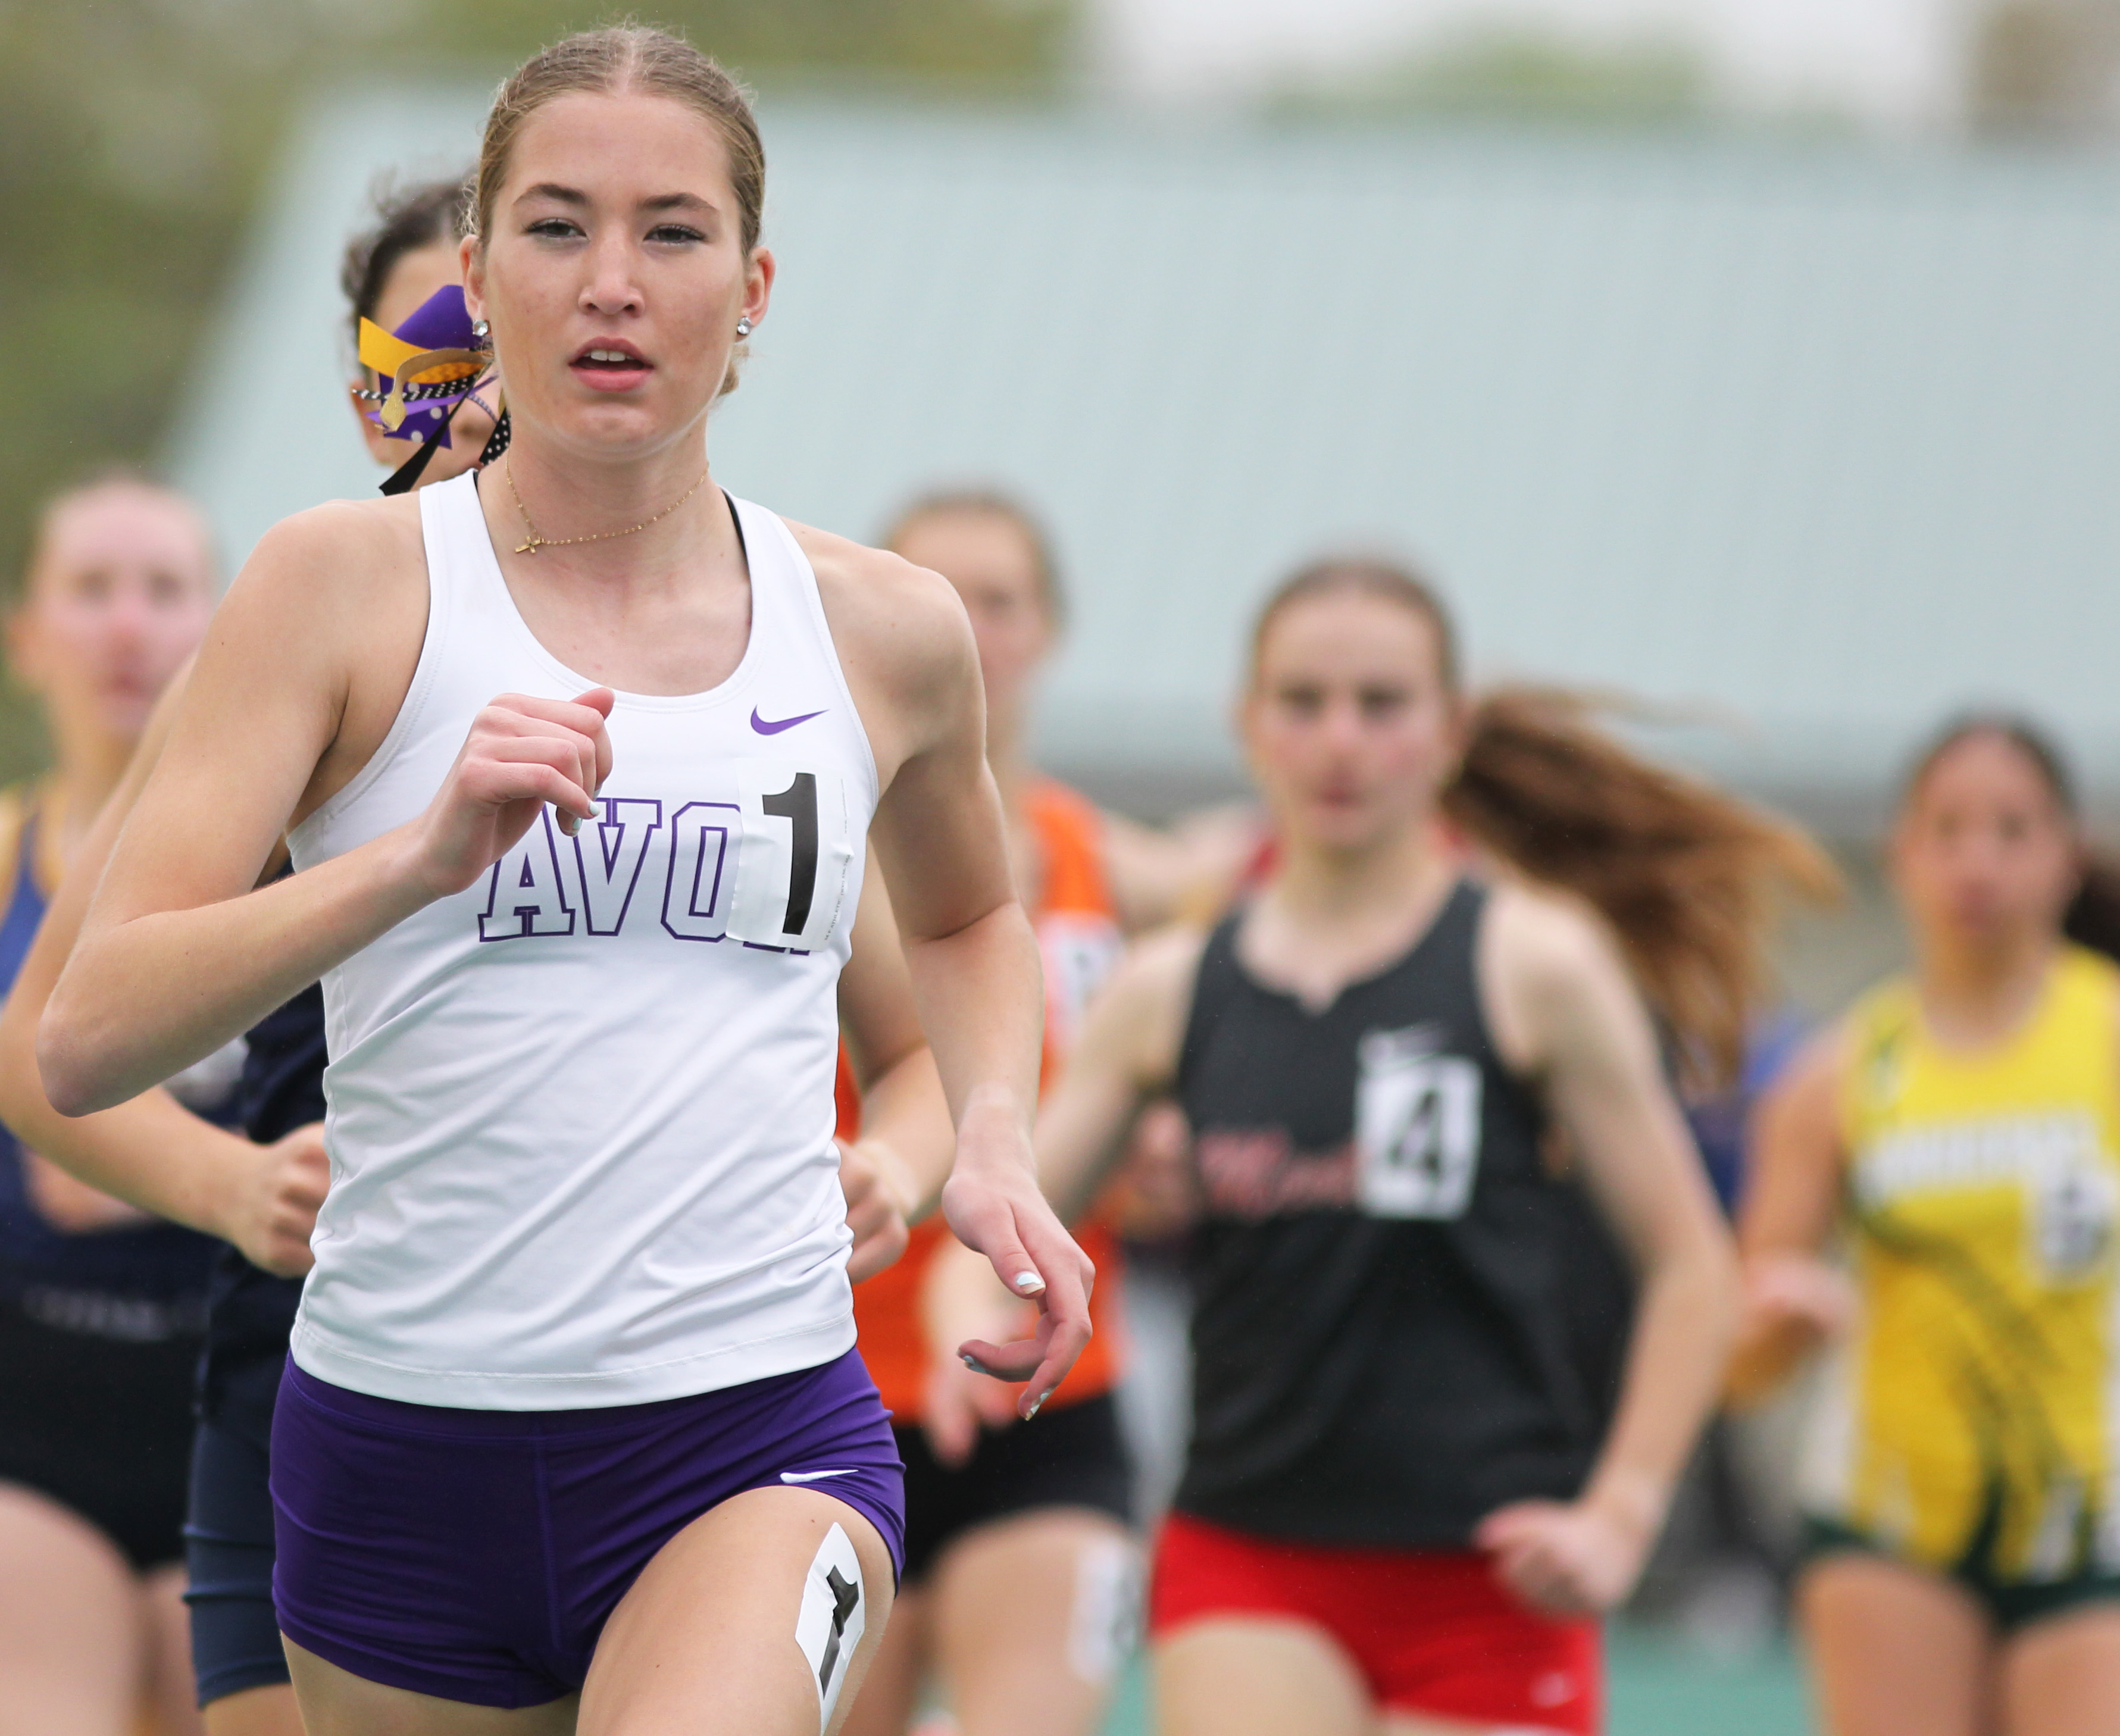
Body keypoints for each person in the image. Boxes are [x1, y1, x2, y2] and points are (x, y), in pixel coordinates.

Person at [37, 26, 1089, 1736]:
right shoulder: (336, 587)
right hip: (397, 1450)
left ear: (751, 288)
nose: (614, 282)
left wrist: (985, 1141)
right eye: (556, 227)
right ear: (476, 273)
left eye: (671, 233)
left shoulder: (886, 627)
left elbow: (971, 913)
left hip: (754, 1429)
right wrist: (414, 859)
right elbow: (85, 1033)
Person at [1024, 557, 1834, 1736]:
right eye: (1302, 702)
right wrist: (959, 1287)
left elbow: (1690, 1264)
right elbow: (1008, 1216)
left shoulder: (1533, 967)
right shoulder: (1170, 992)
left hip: (1492, 1569)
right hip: (1250, 1553)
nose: (1341, 740)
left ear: (1450, 730)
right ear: (1248, 725)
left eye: (1382, 703)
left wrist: (1622, 1509)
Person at [843, 492, 1187, 1736]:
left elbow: (1270, 902)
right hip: (835, 1391)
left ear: (1047, 629)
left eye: (1000, 599)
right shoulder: (813, 846)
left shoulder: (1107, 859)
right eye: (937, 591)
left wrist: (1175, 1137)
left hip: (1051, 1393)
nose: (969, 627)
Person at [1733, 715, 2120, 1736]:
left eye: (2009, 830)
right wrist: (1780, 1316)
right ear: (1899, 852)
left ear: (2066, 854)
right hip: (1890, 1515)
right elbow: (1737, 1355)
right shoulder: (1840, 1074)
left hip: (2088, 1514)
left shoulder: (2108, 1038)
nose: (1975, 863)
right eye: (1945, 831)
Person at [0, 474, 217, 1736]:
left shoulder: (305, 873)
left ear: (225, 628)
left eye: (163, 589)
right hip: (20, 1409)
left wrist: (155, 1154)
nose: (128, 628)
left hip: (239, 1415)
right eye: (90, 590)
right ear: (26, 635)